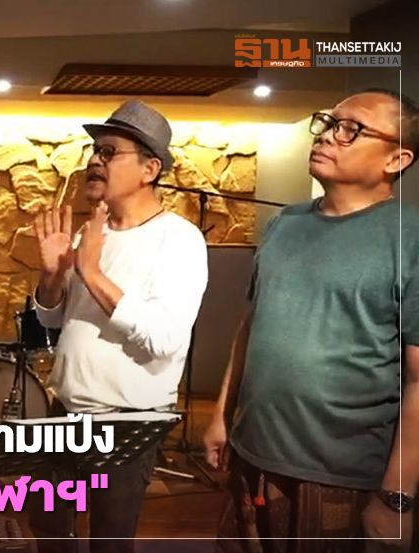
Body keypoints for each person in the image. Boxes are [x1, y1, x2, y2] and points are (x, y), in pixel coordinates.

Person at [205, 89, 419, 552]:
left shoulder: (410, 239)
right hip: (252, 454)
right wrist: (221, 415)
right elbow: (250, 326)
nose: (325, 136)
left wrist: (397, 496)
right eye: (327, 123)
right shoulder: (286, 223)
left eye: (351, 129)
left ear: (396, 159)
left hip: (340, 474)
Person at [30, 99, 208, 553]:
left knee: (109, 542)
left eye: (109, 152)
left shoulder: (179, 240)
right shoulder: (90, 234)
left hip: (127, 424)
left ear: (150, 168)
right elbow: (53, 319)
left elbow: (164, 339)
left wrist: (91, 271)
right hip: (65, 412)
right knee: (49, 533)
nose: (95, 160)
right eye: (95, 150)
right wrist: (51, 276)